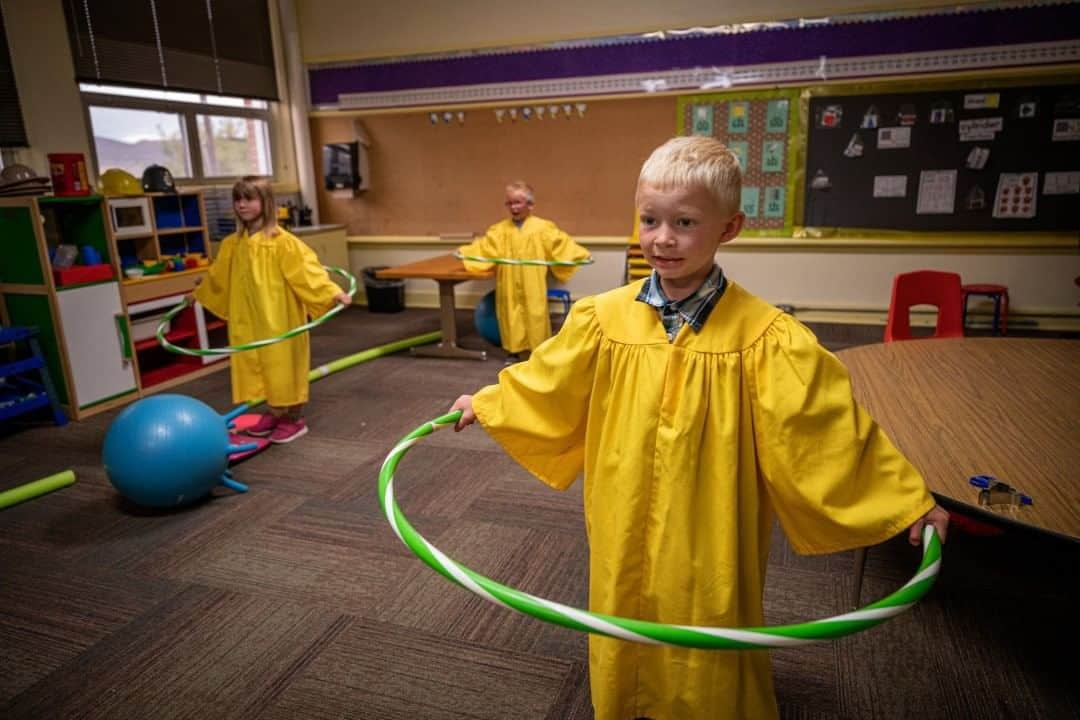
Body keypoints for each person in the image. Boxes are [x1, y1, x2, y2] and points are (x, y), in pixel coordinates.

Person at [448, 137, 949, 720]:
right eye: (650, 220)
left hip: (714, 517)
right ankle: (628, 701)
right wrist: (489, 402)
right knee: (622, 601)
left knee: (708, 614)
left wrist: (904, 499)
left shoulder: (765, 337)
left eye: (685, 222)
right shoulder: (601, 320)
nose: (662, 238)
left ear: (728, 228)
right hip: (621, 506)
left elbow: (826, 430)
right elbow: (548, 379)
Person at [194, 176, 351, 444]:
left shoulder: (282, 242)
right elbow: (219, 276)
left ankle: (293, 418)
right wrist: (198, 293)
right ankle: (274, 412)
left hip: (279, 317)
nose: (241, 205)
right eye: (237, 199)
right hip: (248, 319)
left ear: (265, 203)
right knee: (258, 364)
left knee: (283, 366)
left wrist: (331, 292)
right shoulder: (233, 243)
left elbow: (306, 271)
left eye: (249, 199)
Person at [457, 181, 590, 363]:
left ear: (530, 205)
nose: (514, 207)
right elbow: (485, 247)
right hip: (509, 280)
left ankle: (538, 352)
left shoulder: (542, 228)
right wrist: (465, 253)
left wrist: (579, 255)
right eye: (510, 203)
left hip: (532, 280)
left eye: (518, 202)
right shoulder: (500, 230)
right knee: (510, 313)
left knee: (535, 313)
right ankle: (514, 352)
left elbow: (560, 244)